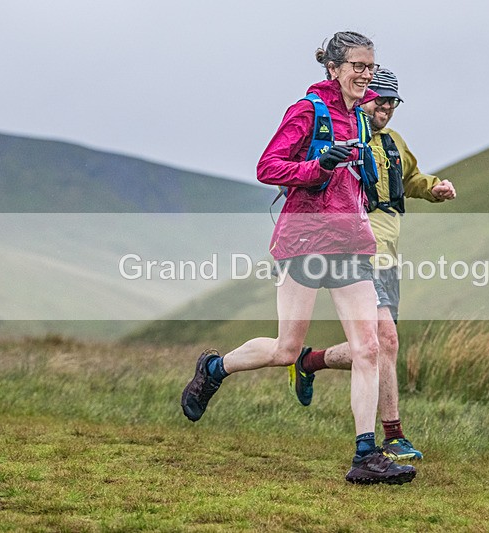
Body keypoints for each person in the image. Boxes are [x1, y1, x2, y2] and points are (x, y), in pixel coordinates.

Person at [180, 32, 416, 485]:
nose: (366, 75)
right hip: (304, 242)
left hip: (351, 243)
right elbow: (268, 167)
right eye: (358, 67)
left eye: (371, 67)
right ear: (334, 68)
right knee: (287, 349)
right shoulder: (309, 111)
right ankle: (213, 369)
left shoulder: (361, 121)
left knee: (368, 348)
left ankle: (366, 455)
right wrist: (319, 166)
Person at [287, 68, 456, 461]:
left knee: (378, 347)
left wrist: (434, 188)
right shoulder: (348, 136)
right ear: (363, 97)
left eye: (392, 102)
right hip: (358, 252)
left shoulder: (394, 142)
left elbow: (411, 178)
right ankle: (392, 435)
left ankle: (309, 361)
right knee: (387, 342)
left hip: (389, 258)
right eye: (380, 99)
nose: (386, 108)